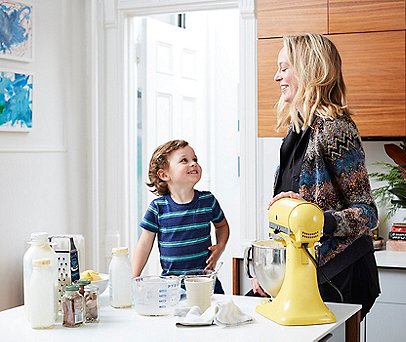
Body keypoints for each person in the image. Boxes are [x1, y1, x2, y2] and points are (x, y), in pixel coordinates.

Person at [250, 33, 380, 319]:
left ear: (309, 68)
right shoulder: (295, 133)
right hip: (305, 272)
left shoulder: (336, 129)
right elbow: (291, 219)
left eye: (284, 68)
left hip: (340, 272)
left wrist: (320, 219)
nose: (276, 77)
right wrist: (270, 268)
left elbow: (368, 214)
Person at [132, 139, 229, 294]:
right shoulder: (158, 208)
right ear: (164, 174)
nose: (193, 163)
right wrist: (134, 278)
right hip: (172, 288)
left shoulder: (207, 201)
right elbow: (144, 245)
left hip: (206, 284)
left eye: (195, 159)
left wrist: (220, 246)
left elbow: (222, 226)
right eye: (184, 160)